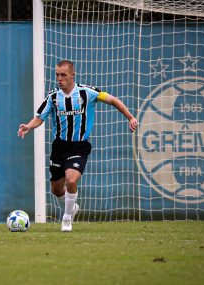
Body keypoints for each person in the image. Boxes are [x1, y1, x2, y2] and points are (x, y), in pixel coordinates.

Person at [18, 60, 138, 232]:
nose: (59, 79)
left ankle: (67, 218)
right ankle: (72, 207)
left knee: (71, 180)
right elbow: (40, 116)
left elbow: (112, 100)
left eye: (63, 75)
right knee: (57, 190)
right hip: (59, 147)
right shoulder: (53, 97)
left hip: (79, 146)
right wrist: (29, 126)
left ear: (72, 75)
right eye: (57, 75)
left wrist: (130, 117)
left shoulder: (86, 93)